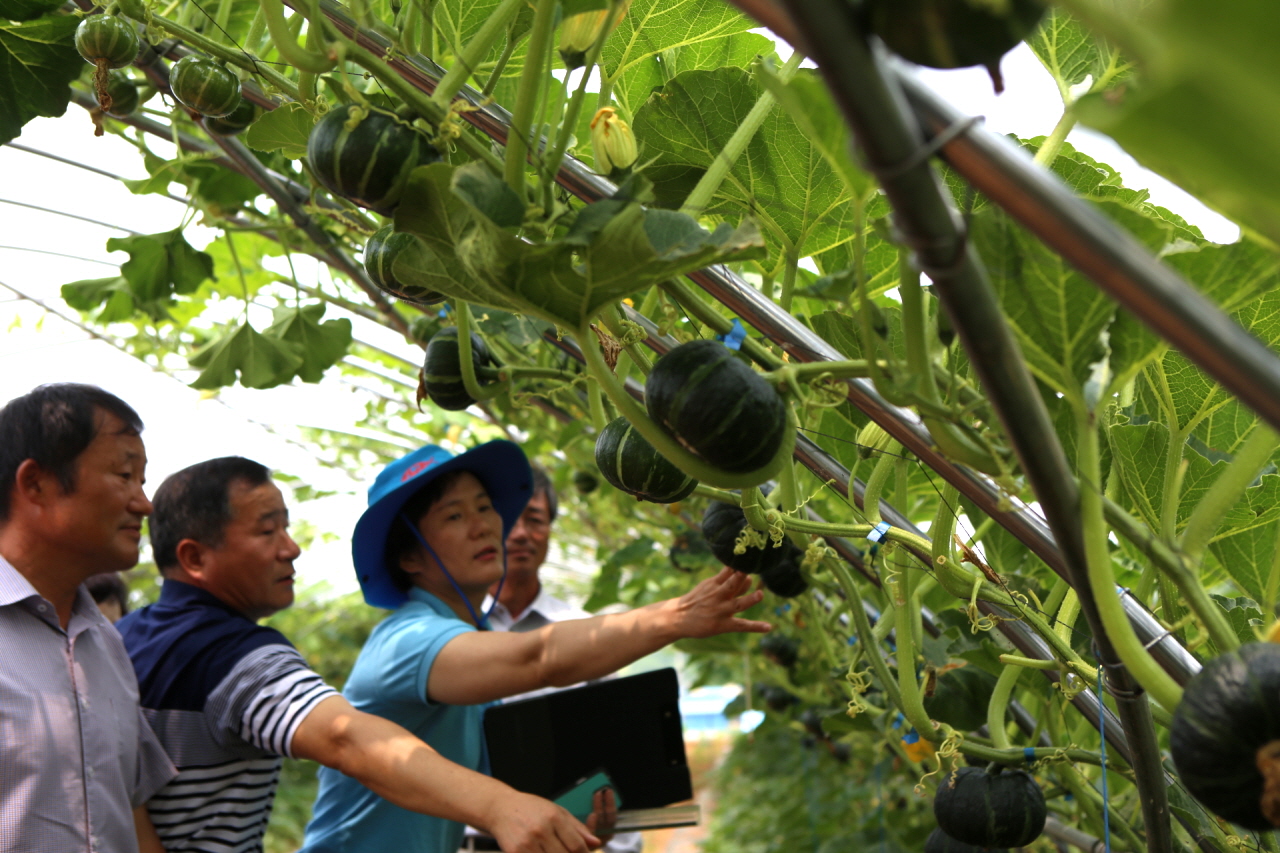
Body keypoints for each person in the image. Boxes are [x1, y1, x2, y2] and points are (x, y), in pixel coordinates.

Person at [301, 440, 771, 853]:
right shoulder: (406, 642)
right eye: (454, 516)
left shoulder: (470, 638)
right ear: (408, 557)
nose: (484, 526)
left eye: (485, 507)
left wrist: (576, 820)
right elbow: (537, 657)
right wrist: (674, 617)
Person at [118, 456, 604, 853]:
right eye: (268, 532)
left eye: (483, 509)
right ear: (195, 558)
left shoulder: (116, 639)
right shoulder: (238, 657)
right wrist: (672, 618)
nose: (292, 549)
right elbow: (346, 739)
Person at [0, 383, 175, 853]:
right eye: (124, 475)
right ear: (35, 483)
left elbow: (129, 808)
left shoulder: (104, 640)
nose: (144, 503)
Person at [467, 467, 642, 853]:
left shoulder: (581, 632)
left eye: (536, 520)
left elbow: (614, 753)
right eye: (509, 518)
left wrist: (621, 846)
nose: (521, 533)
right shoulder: (451, 634)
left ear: (549, 532)